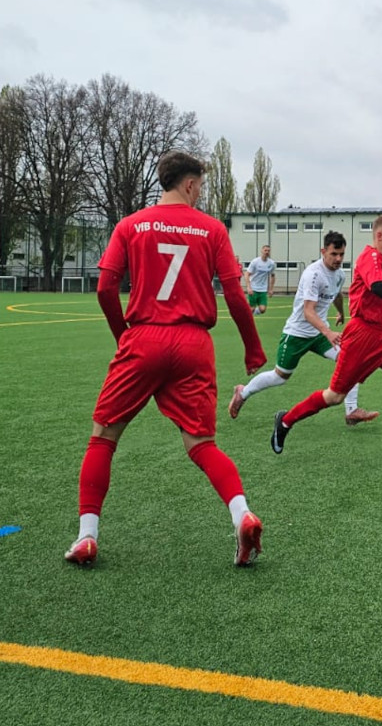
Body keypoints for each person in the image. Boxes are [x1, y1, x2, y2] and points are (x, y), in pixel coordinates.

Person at [64, 151, 266, 568]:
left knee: (103, 438)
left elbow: (105, 289)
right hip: (193, 344)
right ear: (190, 184)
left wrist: (125, 338)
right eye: (201, 186)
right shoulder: (211, 229)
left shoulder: (130, 225)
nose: (201, 193)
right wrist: (252, 348)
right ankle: (241, 514)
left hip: (143, 338)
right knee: (202, 444)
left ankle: (86, 536)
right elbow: (234, 294)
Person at [270, 215, 382, 462]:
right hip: (361, 336)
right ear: (379, 235)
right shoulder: (369, 257)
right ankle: (285, 421)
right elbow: (377, 287)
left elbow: (379, 289)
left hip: (380, 337)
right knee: (334, 396)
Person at [229, 231, 377, 426]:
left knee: (351, 361)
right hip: (297, 334)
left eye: (341, 254)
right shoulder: (313, 274)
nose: (338, 259)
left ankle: (351, 411)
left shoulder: (339, 274)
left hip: (319, 334)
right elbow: (308, 311)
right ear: (323, 251)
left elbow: (337, 294)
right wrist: (328, 331)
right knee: (280, 377)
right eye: (334, 254)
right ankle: (243, 392)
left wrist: (340, 312)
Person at [245, 245, 276, 315]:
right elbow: (247, 274)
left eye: (268, 251)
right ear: (262, 251)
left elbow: (273, 276)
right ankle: (248, 314)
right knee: (251, 308)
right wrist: (248, 287)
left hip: (263, 289)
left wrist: (271, 289)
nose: (267, 252)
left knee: (262, 309)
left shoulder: (271, 263)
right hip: (253, 288)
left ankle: (251, 313)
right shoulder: (255, 262)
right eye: (265, 250)